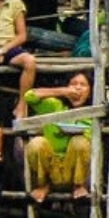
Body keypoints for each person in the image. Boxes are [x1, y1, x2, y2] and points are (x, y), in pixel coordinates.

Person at [23, 71, 94, 203]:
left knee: (80, 142)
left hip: (76, 170)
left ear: (90, 92)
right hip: (51, 168)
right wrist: (62, 91)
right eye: (73, 84)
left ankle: (79, 186)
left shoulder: (93, 112)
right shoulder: (55, 106)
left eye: (83, 85)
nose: (77, 88)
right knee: (37, 143)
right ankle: (43, 185)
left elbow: (90, 141)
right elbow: (29, 96)